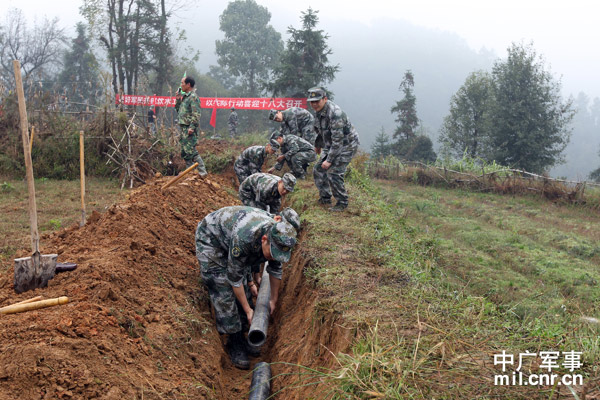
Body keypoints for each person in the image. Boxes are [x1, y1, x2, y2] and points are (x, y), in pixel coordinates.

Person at [195, 206, 297, 369]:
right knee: (223, 289)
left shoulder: (278, 238)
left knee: (245, 289)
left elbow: (275, 268)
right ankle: (234, 341)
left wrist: (273, 299)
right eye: (271, 253)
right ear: (264, 239)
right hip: (211, 240)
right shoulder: (245, 238)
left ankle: (244, 333)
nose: (273, 257)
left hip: (233, 237)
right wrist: (249, 310)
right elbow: (235, 278)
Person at [307, 87, 360, 212]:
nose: (314, 104)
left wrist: (329, 160)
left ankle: (342, 202)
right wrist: (318, 145)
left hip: (347, 145)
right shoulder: (319, 111)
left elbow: (338, 142)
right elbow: (321, 130)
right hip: (331, 144)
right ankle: (325, 197)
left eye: (317, 101)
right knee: (318, 169)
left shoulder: (335, 114)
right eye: (312, 102)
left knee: (334, 172)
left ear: (325, 99)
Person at [175, 76, 207, 177]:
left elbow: (196, 114)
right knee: (185, 151)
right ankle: (190, 171)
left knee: (191, 150)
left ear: (188, 85)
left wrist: (192, 127)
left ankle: (202, 172)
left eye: (182, 83)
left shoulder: (193, 97)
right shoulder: (185, 97)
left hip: (189, 128)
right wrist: (178, 99)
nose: (181, 85)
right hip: (184, 128)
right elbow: (179, 110)